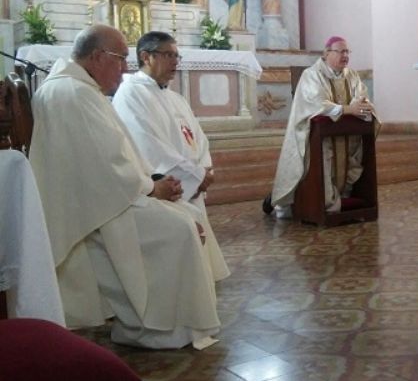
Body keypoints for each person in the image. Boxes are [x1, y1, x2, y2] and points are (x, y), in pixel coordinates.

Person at [29, 24, 220, 350]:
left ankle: (171, 322)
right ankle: (157, 328)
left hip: (101, 197)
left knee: (187, 216)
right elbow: (107, 164)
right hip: (99, 208)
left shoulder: (77, 89)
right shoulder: (74, 93)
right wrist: (151, 188)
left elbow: (109, 157)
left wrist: (153, 182)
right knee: (180, 227)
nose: (126, 68)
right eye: (121, 59)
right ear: (97, 57)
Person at [112, 31, 230, 285]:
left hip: (192, 182)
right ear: (146, 57)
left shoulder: (174, 97)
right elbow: (147, 145)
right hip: (167, 185)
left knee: (199, 269)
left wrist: (204, 169)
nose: (176, 61)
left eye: (177, 55)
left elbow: (197, 137)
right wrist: (195, 177)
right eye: (168, 55)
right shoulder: (130, 94)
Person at [266, 36, 376, 218]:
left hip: (345, 135)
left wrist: (361, 106)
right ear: (326, 53)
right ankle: (313, 202)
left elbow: (361, 97)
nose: (345, 55)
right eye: (340, 51)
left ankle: (343, 195)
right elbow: (316, 103)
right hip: (316, 136)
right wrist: (349, 109)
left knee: (356, 151)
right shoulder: (312, 75)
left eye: (347, 51)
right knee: (321, 156)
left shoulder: (352, 75)